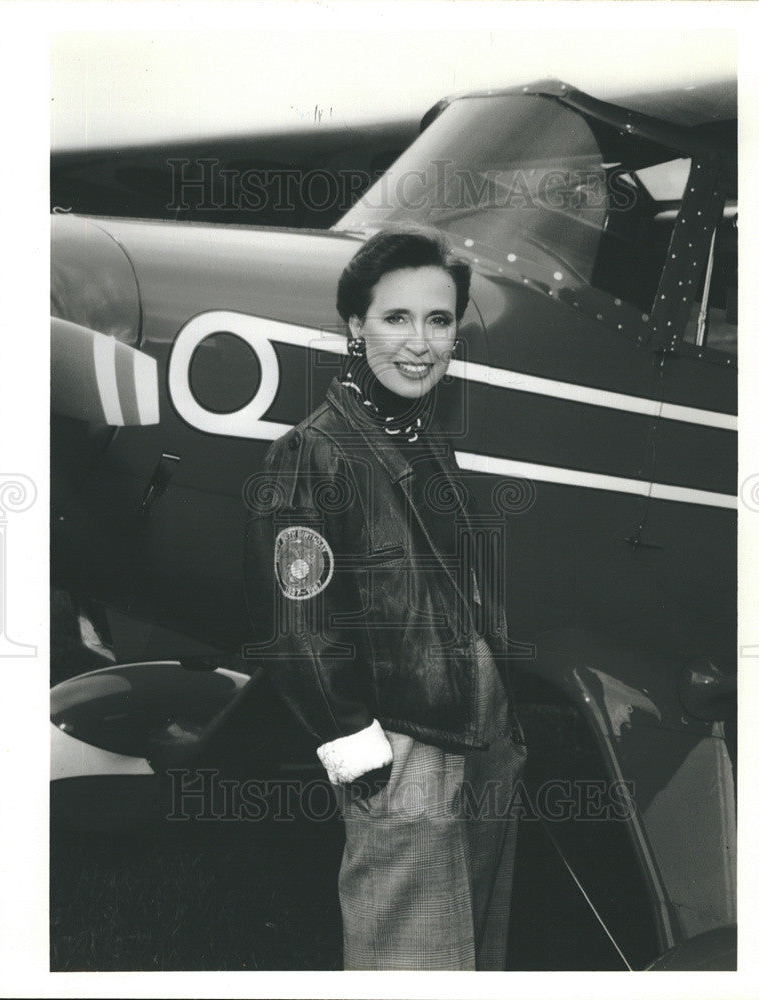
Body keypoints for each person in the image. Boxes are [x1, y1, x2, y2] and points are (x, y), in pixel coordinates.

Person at [244, 227, 527, 970]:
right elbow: (295, 624)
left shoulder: (421, 434)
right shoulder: (315, 450)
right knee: (409, 949)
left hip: (473, 722)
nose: (421, 342)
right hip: (401, 740)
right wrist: (359, 751)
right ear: (353, 325)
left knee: (470, 940)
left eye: (438, 320)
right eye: (396, 318)